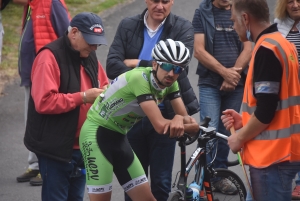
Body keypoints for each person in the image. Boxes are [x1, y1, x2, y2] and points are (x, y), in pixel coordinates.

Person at [80, 38, 199, 201]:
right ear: (155, 64)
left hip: (119, 137)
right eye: (167, 66)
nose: (171, 73)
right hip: (95, 134)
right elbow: (160, 126)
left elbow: (190, 123)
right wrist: (179, 119)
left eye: (178, 69)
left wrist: (180, 119)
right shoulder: (140, 79)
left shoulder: (170, 83)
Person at [106, 1, 199, 200]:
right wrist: (150, 68)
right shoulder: (127, 25)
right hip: (132, 115)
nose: (160, 6)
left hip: (165, 112)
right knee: (133, 183)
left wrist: (136, 62)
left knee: (161, 182)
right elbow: (113, 66)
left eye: (165, 1)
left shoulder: (183, 27)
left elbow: (181, 70)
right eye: (155, 0)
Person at [23, 12, 109, 201]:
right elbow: (44, 102)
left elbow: (103, 85)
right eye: (91, 41)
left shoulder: (89, 54)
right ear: (74, 33)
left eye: (97, 42)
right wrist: (84, 97)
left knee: (76, 198)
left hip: (83, 146)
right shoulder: (49, 57)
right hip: (56, 149)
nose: (94, 47)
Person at [221, 0, 300, 200]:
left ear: (245, 19)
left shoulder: (266, 50)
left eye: (234, 21)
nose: (234, 26)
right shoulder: (283, 44)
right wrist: (244, 121)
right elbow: (278, 102)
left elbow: (266, 110)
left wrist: (239, 137)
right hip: (283, 152)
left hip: (272, 158)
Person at [191, 0, 252, 194]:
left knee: (226, 131)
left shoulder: (242, 11)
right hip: (210, 82)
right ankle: (203, 178)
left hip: (236, 83)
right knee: (208, 131)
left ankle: (220, 177)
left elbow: (248, 48)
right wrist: (225, 73)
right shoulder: (202, 12)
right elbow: (199, 51)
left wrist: (233, 75)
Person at [13, 0, 71, 186]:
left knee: (45, 122)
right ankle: (35, 164)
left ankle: (47, 166)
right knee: (31, 121)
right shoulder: (31, 5)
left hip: (46, 74)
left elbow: (68, 35)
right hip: (31, 75)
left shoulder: (51, 2)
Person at [274, 0, 300, 199]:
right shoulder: (278, 25)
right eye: (290, 1)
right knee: (289, 135)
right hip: (286, 91)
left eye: (298, 0)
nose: (295, 5)